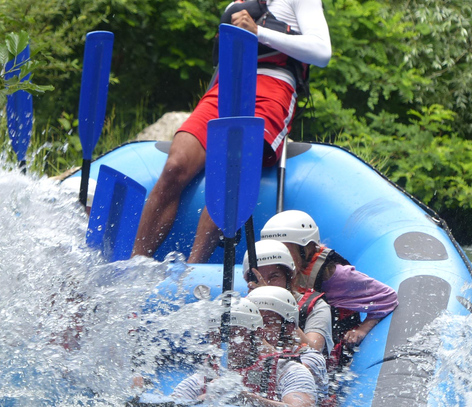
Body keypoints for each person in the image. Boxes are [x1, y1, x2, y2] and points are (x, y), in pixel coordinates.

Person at [131, 0, 332, 261]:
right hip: (227, 87)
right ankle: (135, 263)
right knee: (176, 165)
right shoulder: (236, 4)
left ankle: (194, 271)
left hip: (273, 87)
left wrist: (260, 33)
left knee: (230, 170)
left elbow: (322, 52)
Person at [171, 294, 318, 407]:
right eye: (217, 336)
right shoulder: (203, 377)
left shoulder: (289, 370)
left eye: (235, 333)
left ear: (257, 334)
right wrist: (200, 402)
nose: (226, 344)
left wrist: (244, 399)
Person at [259, 210, 398, 348]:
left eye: (285, 250)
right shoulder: (270, 274)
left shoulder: (334, 276)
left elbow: (388, 297)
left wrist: (362, 329)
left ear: (305, 249)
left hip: (324, 345)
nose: (278, 257)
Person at [245, 286, 328, 401]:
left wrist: (265, 347)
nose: (259, 330)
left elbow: (293, 372)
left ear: (288, 328)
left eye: (267, 323)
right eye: (253, 322)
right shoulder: (242, 355)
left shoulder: (311, 357)